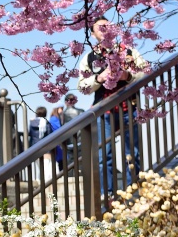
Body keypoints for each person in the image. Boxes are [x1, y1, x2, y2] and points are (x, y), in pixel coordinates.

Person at [77, 17, 150, 197]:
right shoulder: (89, 57)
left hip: (129, 107)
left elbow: (145, 71)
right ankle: (106, 195)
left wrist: (128, 76)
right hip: (104, 109)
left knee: (132, 153)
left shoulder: (129, 50)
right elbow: (82, 86)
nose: (104, 29)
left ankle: (133, 192)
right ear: (93, 34)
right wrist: (98, 79)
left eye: (107, 26)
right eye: (99, 28)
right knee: (104, 155)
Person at [49, 93, 83, 169]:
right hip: (81, 141)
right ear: (75, 101)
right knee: (81, 163)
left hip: (68, 143)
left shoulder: (62, 114)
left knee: (70, 165)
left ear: (65, 102)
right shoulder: (82, 112)